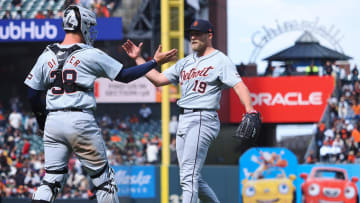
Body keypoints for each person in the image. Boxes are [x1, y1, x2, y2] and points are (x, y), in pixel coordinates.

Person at [24, 5, 177, 203]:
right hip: (79, 119)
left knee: (51, 180)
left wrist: (42, 122)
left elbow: (32, 94)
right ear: (83, 25)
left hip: (53, 120)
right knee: (104, 181)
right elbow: (125, 76)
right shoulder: (90, 54)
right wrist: (153, 62)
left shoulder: (46, 55)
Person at [122, 19, 256, 203]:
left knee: (188, 177)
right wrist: (138, 59)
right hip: (184, 119)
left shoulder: (220, 60)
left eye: (198, 33)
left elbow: (239, 86)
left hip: (203, 117)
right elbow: (159, 79)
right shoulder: (185, 62)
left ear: (209, 35)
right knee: (192, 177)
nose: (193, 36)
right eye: (191, 33)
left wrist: (250, 110)